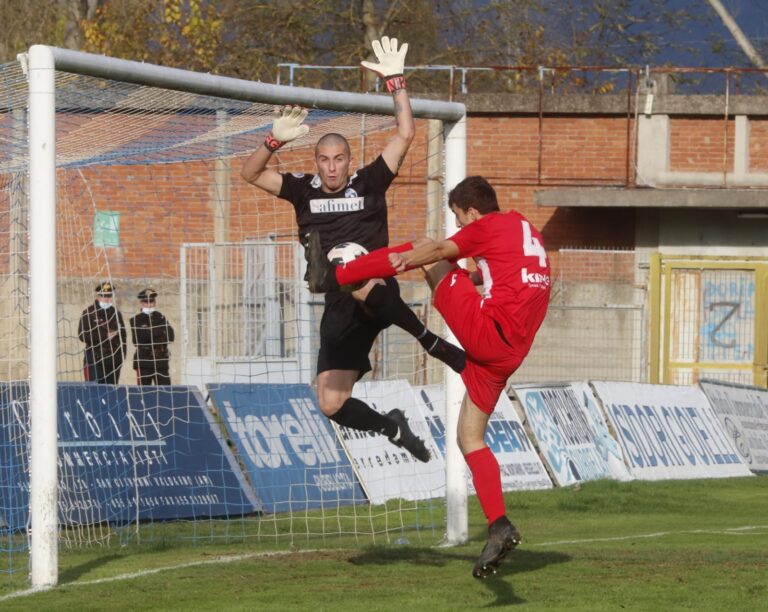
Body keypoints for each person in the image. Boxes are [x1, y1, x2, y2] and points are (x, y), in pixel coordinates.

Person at [307, 176, 551, 579]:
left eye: (458, 217)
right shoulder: (526, 231)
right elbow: (498, 275)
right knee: (469, 438)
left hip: (489, 334)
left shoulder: (486, 226)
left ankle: (335, 276)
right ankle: (499, 525)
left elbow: (438, 251)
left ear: (472, 212)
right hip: (510, 354)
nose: (459, 226)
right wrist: (462, 277)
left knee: (424, 248)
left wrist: (410, 259)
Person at [241, 36, 465, 464]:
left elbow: (406, 132)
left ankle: (432, 342)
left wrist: (396, 82)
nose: (331, 167)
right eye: (324, 159)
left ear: (349, 159)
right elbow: (250, 174)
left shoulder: (369, 181)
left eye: (338, 159)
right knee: (330, 402)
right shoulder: (302, 189)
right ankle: (391, 426)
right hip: (338, 302)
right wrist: (272, 141)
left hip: (376, 284)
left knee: (359, 275)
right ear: (316, 160)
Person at [78, 281, 127, 384]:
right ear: (99, 296)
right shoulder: (88, 313)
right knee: (95, 390)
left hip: (113, 361)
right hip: (95, 359)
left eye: (109, 296)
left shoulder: (116, 313)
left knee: (112, 390)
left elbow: (123, 336)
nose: (107, 299)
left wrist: (121, 356)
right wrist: (105, 336)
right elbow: (83, 335)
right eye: (104, 296)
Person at [129, 288, 175, 385]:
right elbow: (138, 339)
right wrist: (160, 332)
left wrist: (150, 332)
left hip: (161, 362)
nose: (149, 305)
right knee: (144, 391)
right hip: (144, 361)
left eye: (151, 301)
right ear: (141, 303)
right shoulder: (136, 320)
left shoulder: (161, 317)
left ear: (155, 303)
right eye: (146, 302)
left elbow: (171, 336)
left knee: (165, 391)